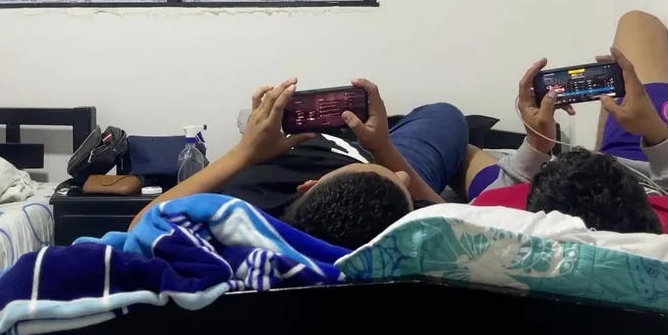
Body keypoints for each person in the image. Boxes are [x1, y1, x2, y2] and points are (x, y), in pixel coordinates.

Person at [463, 11, 668, 256]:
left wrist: (536, 146)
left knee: (465, 151)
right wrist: (655, 132)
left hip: (561, 193)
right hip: (643, 174)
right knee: (637, 22)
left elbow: (473, 210)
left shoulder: (504, 218)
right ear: (651, 217)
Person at [129, 78, 468, 250]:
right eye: (399, 181)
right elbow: (458, 221)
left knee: (259, 119)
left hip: (272, 154)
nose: (402, 177)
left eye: (394, 178)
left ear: (310, 185)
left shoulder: (245, 215)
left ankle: (262, 132)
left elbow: (140, 227)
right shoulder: (392, 205)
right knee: (445, 115)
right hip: (366, 151)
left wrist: (243, 152)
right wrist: (381, 149)